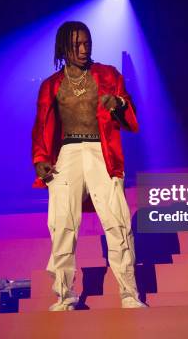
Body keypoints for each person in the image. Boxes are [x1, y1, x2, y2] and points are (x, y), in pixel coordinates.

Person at [31, 21, 147, 310]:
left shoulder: (107, 75)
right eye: (76, 45)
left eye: (87, 43)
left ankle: (129, 294)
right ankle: (64, 294)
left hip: (101, 151)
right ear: (63, 48)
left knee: (117, 221)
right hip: (66, 154)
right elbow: (40, 126)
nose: (83, 49)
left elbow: (132, 118)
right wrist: (40, 159)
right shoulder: (51, 85)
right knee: (61, 224)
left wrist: (118, 104)